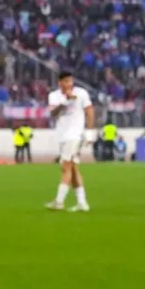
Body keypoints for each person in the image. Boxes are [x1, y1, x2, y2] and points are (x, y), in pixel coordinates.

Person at [46, 71, 94, 212]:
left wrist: (90, 133)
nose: (69, 84)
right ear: (60, 82)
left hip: (75, 135)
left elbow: (89, 111)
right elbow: (53, 114)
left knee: (66, 166)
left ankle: (59, 202)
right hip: (62, 135)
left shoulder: (81, 93)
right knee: (72, 168)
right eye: (66, 81)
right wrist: (65, 101)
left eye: (71, 81)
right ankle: (82, 202)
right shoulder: (54, 96)